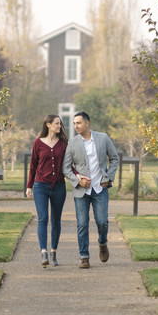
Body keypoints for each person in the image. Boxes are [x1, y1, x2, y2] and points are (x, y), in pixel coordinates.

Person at [62, 111, 119, 269]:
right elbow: (66, 168)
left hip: (100, 188)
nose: (76, 126)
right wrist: (78, 181)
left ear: (87, 123)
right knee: (82, 224)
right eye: (74, 123)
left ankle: (102, 243)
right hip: (81, 191)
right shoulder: (72, 143)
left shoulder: (103, 138)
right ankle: (84, 256)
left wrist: (108, 178)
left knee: (102, 222)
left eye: (78, 123)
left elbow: (114, 158)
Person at [26, 114, 68, 267]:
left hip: (58, 187)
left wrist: (77, 176)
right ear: (48, 125)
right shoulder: (38, 143)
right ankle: (43, 252)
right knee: (43, 218)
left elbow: (69, 164)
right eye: (57, 123)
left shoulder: (63, 143)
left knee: (56, 221)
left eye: (60, 124)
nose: (59, 126)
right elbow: (33, 166)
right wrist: (29, 186)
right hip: (40, 186)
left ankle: (53, 252)